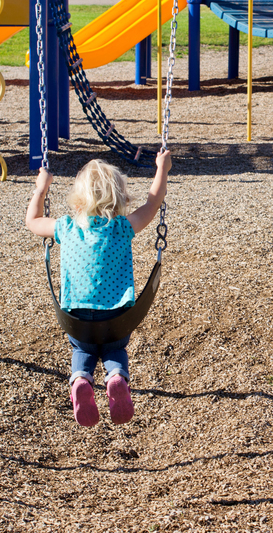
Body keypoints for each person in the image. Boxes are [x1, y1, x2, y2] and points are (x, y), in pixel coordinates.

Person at [25, 152, 172, 426]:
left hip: (76, 316)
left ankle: (81, 379)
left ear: (78, 200)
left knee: (83, 349)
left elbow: (32, 222)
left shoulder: (66, 228)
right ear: (120, 198)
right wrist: (162, 169)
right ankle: (116, 377)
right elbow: (152, 204)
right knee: (115, 350)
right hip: (116, 316)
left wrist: (41, 188)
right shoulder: (121, 228)